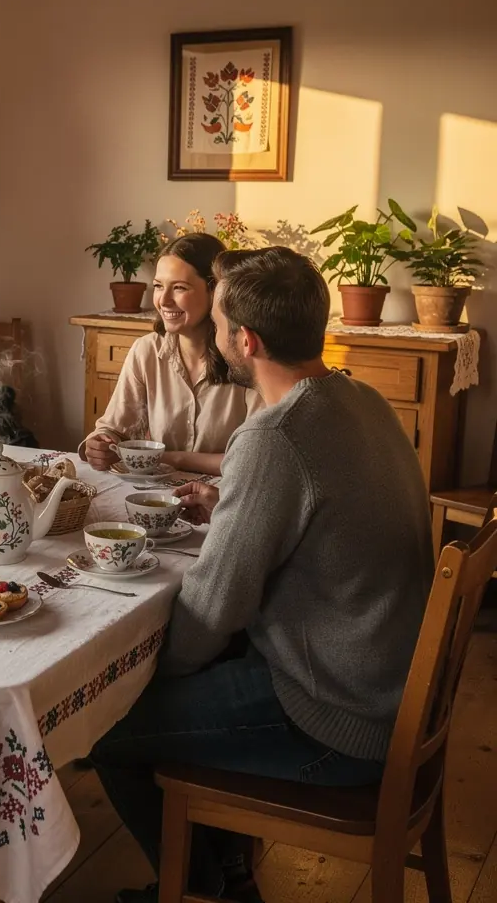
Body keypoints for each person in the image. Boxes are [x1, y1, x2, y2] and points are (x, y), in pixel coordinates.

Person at [91, 246, 433, 903]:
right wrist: (235, 507)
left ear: (244, 340)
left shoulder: (275, 435)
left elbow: (212, 611)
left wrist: (133, 675)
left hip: (336, 718)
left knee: (110, 728)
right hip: (380, 682)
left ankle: (199, 888)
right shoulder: (362, 399)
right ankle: (228, 872)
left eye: (217, 320)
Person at [81, 233, 260, 477]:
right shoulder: (146, 351)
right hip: (155, 497)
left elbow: (254, 458)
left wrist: (173, 458)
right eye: (158, 286)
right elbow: (115, 429)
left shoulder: (245, 356)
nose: (163, 300)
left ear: (215, 292)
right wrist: (99, 444)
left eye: (179, 288)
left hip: (222, 499)